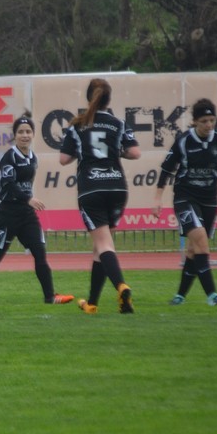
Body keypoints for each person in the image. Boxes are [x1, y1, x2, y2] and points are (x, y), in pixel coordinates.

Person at [0, 113, 75, 306]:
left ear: (33, 134)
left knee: (40, 253)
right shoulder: (9, 157)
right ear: (15, 135)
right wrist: (28, 198)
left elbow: (27, 183)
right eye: (20, 132)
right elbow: (9, 184)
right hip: (8, 214)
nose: (25, 135)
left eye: (28, 131)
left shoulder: (33, 157)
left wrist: (28, 200)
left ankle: (50, 296)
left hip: (26, 214)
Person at [59, 78, 141, 314]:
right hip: (117, 187)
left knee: (103, 245)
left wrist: (82, 151)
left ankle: (121, 286)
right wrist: (116, 152)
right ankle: (92, 303)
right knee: (101, 248)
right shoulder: (118, 123)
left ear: (89, 98)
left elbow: (63, 159)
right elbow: (135, 152)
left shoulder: (78, 125)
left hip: (92, 188)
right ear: (109, 100)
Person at [152, 98, 217, 306]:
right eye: (204, 121)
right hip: (185, 198)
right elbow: (166, 169)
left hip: (209, 199)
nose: (209, 125)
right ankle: (212, 296)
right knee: (201, 242)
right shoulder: (184, 140)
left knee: (193, 250)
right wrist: (157, 198)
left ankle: (180, 296)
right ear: (195, 122)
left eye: (212, 120)